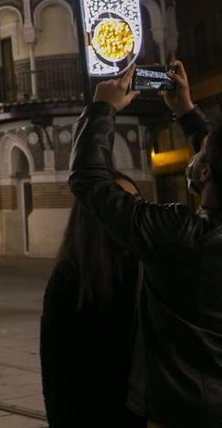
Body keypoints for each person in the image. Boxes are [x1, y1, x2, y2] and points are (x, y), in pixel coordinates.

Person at [69, 60, 222, 427]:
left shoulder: (182, 237)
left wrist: (102, 107)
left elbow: (89, 179)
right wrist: (185, 110)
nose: (196, 155)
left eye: (201, 154)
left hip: (189, 413)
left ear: (205, 172)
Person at [40, 171, 144, 427]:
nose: (133, 211)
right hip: (93, 413)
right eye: (121, 202)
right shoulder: (70, 278)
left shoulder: (148, 266)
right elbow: (57, 374)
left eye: (137, 201)